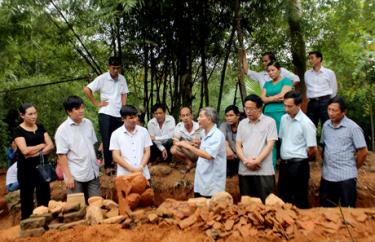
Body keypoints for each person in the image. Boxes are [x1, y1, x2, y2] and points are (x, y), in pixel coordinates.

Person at [319, 96, 368, 207]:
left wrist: (354, 167)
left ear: (343, 112)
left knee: (348, 210)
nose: (330, 113)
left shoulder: (353, 128)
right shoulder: (326, 125)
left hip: (346, 177)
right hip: (328, 176)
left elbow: (363, 151)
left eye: (334, 111)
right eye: (329, 109)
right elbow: (323, 146)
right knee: (326, 209)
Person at [83, 56, 129, 175]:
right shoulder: (102, 78)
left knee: (119, 138)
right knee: (107, 139)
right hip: (105, 112)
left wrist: (124, 109)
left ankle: (119, 163)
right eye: (114, 68)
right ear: (109, 67)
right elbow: (87, 89)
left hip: (118, 113)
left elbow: (124, 94)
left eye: (118, 68)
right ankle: (108, 166)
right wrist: (96, 103)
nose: (116, 71)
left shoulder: (122, 79)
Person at [55, 96, 101, 202]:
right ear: (69, 111)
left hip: (92, 172)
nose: (81, 111)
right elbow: (62, 155)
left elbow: (92, 145)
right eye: (77, 109)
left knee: (97, 204)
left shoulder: (88, 123)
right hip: (75, 175)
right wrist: (68, 176)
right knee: (77, 208)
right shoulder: (62, 130)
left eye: (82, 107)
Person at [14, 103, 54, 219]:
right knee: (27, 197)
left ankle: (46, 221)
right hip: (25, 169)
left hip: (42, 167)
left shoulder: (40, 127)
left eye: (35, 113)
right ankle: (27, 224)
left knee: (44, 195)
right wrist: (41, 145)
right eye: (30, 114)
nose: (33, 116)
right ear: (22, 115)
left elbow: (50, 145)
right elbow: (25, 151)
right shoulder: (18, 130)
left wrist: (37, 153)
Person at [175, 107, 226, 198]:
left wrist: (188, 146)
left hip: (213, 182)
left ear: (209, 119)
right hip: (202, 178)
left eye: (200, 116)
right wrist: (198, 143)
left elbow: (208, 155)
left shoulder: (217, 135)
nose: (198, 119)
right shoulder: (204, 133)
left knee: (210, 208)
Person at [278, 91, 317, 208]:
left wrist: (300, 158)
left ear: (299, 105)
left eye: (289, 106)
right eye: (284, 105)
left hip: (299, 166)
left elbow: (312, 149)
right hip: (284, 165)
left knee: (300, 198)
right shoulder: (284, 118)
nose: (286, 109)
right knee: (283, 197)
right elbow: (282, 139)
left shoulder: (306, 123)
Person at [236, 94, 277, 203]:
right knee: (247, 205)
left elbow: (270, 144)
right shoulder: (242, 123)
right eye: (246, 108)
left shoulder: (270, 122)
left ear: (259, 108)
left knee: (267, 204)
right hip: (245, 170)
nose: (248, 111)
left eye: (251, 108)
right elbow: (238, 145)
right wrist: (246, 161)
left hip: (264, 170)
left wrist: (257, 161)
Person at [261, 61, 293, 168]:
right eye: (268, 71)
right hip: (267, 114)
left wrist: (269, 98)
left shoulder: (286, 81)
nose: (270, 73)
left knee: (283, 139)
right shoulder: (267, 84)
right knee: (270, 141)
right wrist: (274, 98)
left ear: (279, 70)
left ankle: (287, 167)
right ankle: (271, 168)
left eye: (272, 70)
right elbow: (262, 99)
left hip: (281, 113)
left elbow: (283, 96)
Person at [110, 105, 152, 179]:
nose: (135, 120)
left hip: (143, 175)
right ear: (123, 119)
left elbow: (147, 151)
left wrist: (141, 166)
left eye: (136, 116)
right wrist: (131, 169)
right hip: (124, 176)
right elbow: (116, 156)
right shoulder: (116, 134)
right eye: (131, 118)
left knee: (147, 190)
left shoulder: (144, 131)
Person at [305, 51, 337, 128]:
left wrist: (329, 102)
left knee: (327, 125)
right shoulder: (307, 74)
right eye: (309, 59)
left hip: (325, 102)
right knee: (309, 126)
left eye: (312, 58)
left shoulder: (329, 73)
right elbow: (308, 88)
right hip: (312, 103)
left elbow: (334, 89)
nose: (310, 60)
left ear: (319, 59)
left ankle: (326, 140)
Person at [171, 107, 201, 172]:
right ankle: (189, 163)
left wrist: (198, 142)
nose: (185, 118)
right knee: (173, 150)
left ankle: (199, 164)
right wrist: (187, 143)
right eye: (183, 116)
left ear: (191, 116)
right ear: (180, 117)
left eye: (187, 115)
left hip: (198, 152)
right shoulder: (179, 126)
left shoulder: (198, 126)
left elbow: (203, 141)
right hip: (187, 152)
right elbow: (175, 142)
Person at [220, 105, 242, 177]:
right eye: (227, 116)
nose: (228, 118)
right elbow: (222, 139)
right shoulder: (224, 125)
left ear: (238, 116)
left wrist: (238, 155)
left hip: (242, 156)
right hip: (229, 156)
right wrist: (228, 149)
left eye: (231, 115)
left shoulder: (244, 126)